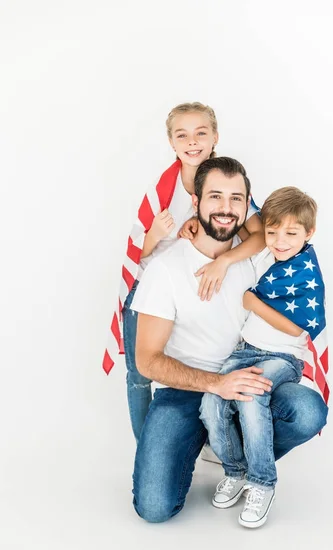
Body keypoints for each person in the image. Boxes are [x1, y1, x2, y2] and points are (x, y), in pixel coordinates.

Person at [131, 157, 328, 523]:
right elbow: (147, 360)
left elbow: (290, 236)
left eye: (236, 198)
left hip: (250, 374)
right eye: (215, 197)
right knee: (154, 507)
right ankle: (214, 440)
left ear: (248, 205)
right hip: (189, 387)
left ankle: (241, 463)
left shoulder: (261, 254)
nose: (225, 207)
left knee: (308, 411)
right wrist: (217, 383)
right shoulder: (167, 270)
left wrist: (224, 262)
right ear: (196, 202)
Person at [103, 103, 265, 442]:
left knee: (216, 359)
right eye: (182, 135)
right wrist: (157, 235)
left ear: (215, 137)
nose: (192, 142)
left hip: (202, 281)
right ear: (172, 143)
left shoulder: (223, 178)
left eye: (201, 133)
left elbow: (260, 236)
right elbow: (138, 253)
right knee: (140, 371)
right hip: (151, 284)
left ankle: (215, 436)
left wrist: (224, 261)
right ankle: (147, 445)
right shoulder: (164, 187)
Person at [200, 187, 328, 528]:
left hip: (282, 357)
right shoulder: (264, 255)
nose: (280, 240)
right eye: (272, 232)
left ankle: (262, 482)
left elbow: (294, 330)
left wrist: (252, 302)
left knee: (251, 393)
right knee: (212, 402)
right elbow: (246, 212)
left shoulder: (305, 272)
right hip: (244, 350)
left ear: (308, 233)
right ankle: (235, 471)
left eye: (290, 233)